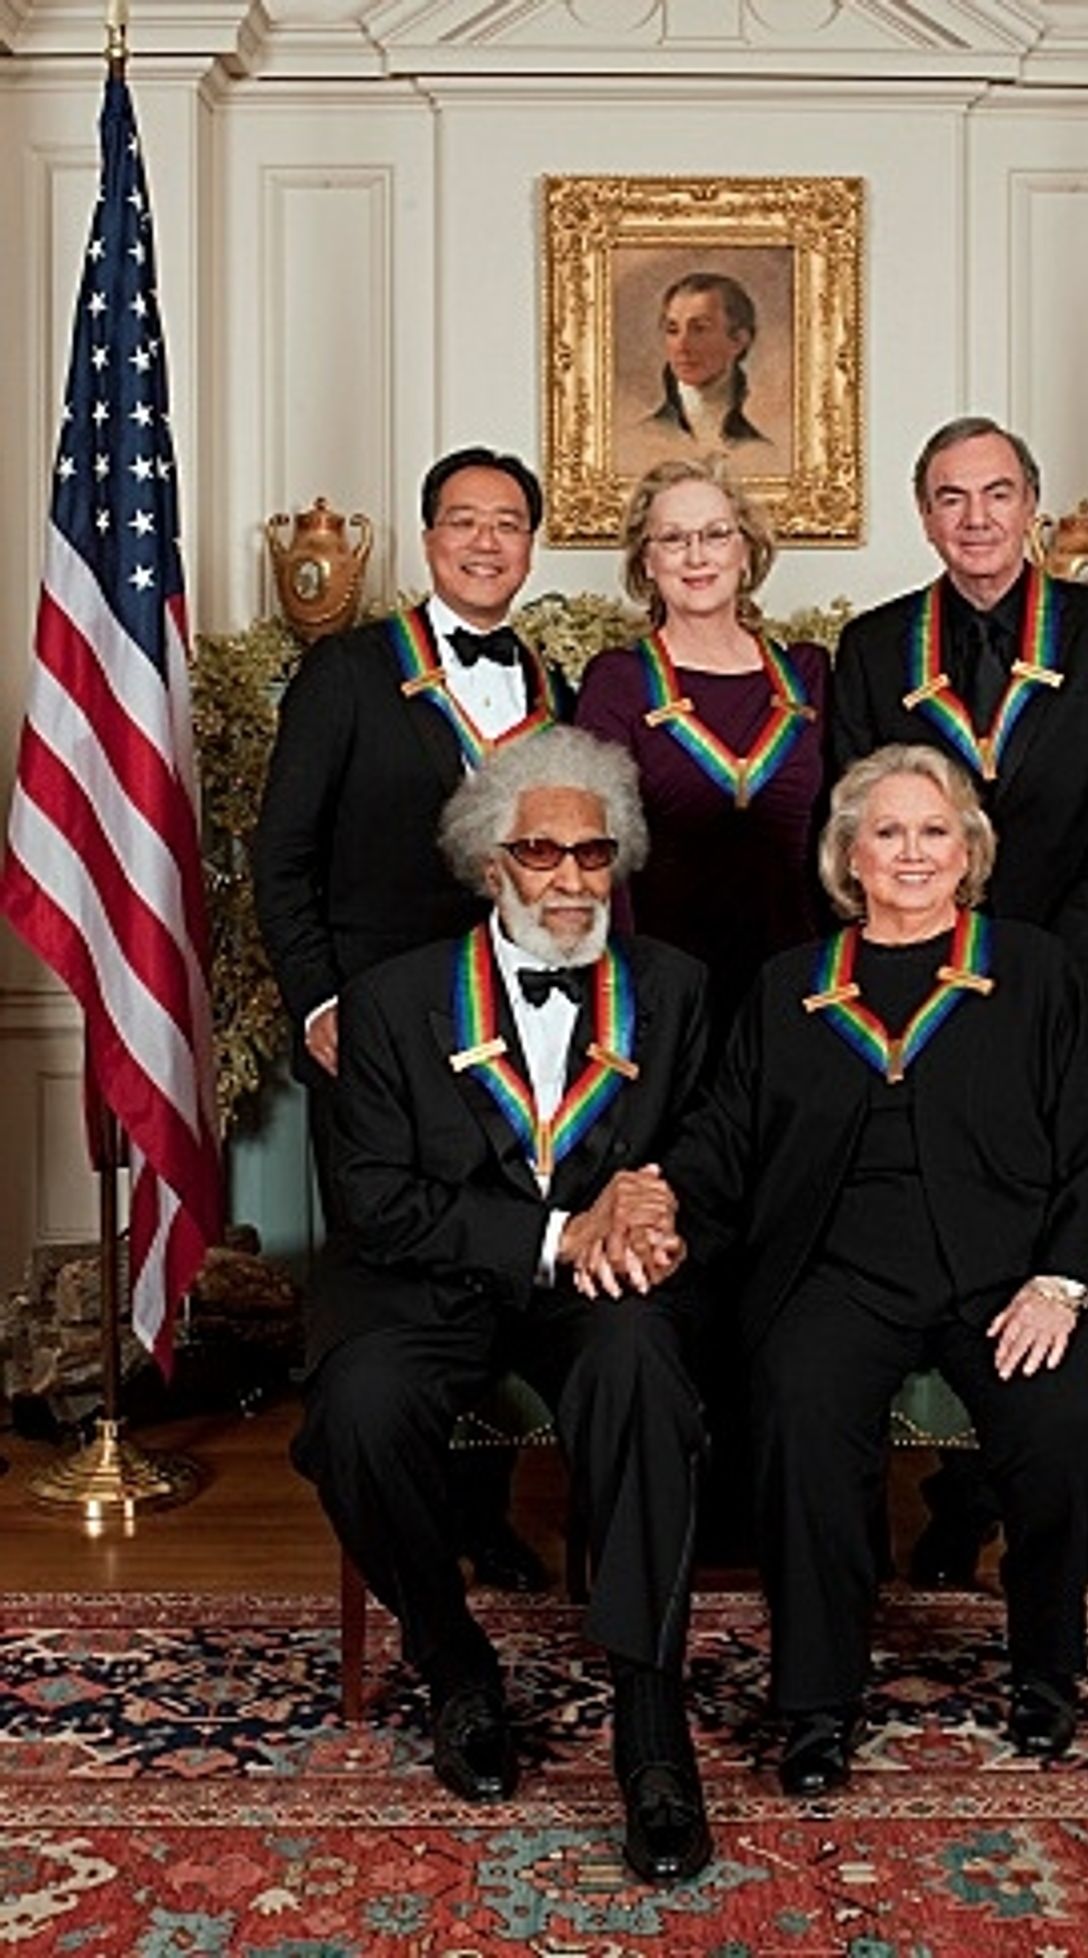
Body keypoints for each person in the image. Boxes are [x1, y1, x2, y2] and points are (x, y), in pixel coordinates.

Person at [646, 746, 1088, 1780]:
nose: (911, 852)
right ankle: (816, 1702)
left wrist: (1060, 1282)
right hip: (837, 1274)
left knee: (1061, 1420)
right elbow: (724, 1137)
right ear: (848, 856)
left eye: (932, 830)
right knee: (799, 1415)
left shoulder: (1036, 971)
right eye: (887, 832)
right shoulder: (790, 987)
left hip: (1011, 1275)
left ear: (968, 851)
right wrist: (654, 1198)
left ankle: (1046, 1669)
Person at [292, 727, 714, 1884]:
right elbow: (376, 1200)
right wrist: (550, 1232)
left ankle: (650, 1727)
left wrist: (657, 1206)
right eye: (542, 852)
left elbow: (709, 1146)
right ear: (491, 863)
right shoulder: (388, 1001)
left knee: (642, 1370)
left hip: (599, 1285)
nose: (571, 878)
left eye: (594, 852)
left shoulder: (673, 989)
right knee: (360, 1407)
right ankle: (454, 1662)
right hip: (430, 1274)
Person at [830, 415, 1088, 1595]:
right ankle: (962, 1497)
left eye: (994, 493)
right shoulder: (874, 645)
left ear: (1031, 503)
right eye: (949, 497)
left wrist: (1039, 974)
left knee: (1072, 1244)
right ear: (921, 514)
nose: (974, 517)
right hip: (919, 1002)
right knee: (958, 1243)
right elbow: (853, 822)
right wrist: (937, 973)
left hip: (1074, 988)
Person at [254, 443, 569, 1595]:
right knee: (396, 1284)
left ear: (529, 547)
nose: (485, 541)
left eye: (507, 523)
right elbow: (280, 855)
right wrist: (319, 1000)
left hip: (512, 1037)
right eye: (463, 520)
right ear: (429, 539)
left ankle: (482, 1512)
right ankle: (405, 1524)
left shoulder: (551, 686)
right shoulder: (346, 670)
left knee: (497, 1262)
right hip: (372, 1039)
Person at [577, 453, 826, 1039]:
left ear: (747, 551)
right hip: (666, 988)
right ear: (647, 561)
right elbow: (599, 847)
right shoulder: (617, 681)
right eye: (673, 539)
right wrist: (634, 989)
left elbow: (838, 836)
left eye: (716, 535)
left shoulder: (809, 674)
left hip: (797, 978)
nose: (696, 556)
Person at [647, 273, 770, 449]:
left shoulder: (761, 449)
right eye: (673, 330)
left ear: (738, 340)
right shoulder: (640, 438)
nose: (682, 346)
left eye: (699, 329)